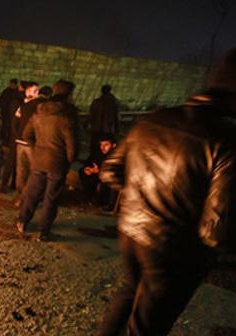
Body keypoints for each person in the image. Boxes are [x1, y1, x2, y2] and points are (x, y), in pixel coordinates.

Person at [96, 48, 236, 336]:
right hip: (174, 249)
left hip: (130, 232)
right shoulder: (227, 140)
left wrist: (141, 200)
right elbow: (214, 230)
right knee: (148, 324)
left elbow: (110, 171)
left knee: (130, 292)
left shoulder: (155, 118)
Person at [17, 80, 78, 242]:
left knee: (33, 193)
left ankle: (23, 220)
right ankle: (43, 231)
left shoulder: (39, 111)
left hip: (39, 160)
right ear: (68, 95)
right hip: (57, 163)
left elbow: (26, 135)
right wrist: (69, 161)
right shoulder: (67, 116)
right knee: (51, 198)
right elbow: (72, 145)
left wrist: (37, 148)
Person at [15, 82, 44, 201]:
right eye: (34, 90)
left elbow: (16, 120)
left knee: (22, 171)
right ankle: (29, 197)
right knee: (32, 171)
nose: (37, 92)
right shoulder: (40, 106)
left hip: (22, 141)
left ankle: (21, 196)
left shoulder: (24, 106)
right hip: (31, 143)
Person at [0, 80, 28, 193]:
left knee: (14, 161)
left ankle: (9, 183)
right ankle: (9, 183)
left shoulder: (16, 99)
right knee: (14, 161)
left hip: (15, 134)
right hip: (18, 135)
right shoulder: (19, 102)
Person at [77, 133, 118, 211]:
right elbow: (89, 162)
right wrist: (87, 169)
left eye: (106, 145)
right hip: (97, 175)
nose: (103, 147)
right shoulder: (98, 153)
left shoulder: (116, 155)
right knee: (82, 172)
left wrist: (100, 171)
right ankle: (90, 198)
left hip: (110, 178)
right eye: (101, 145)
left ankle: (107, 203)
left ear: (113, 145)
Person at [88, 85, 119, 156]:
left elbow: (91, 115)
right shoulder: (113, 102)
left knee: (96, 145)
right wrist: (117, 128)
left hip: (97, 128)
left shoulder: (96, 102)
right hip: (108, 128)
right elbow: (116, 116)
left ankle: (94, 158)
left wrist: (88, 123)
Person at [0, 78, 18, 146]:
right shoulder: (9, 92)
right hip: (7, 112)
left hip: (8, 112)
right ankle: (5, 140)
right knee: (6, 126)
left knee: (8, 127)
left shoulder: (9, 92)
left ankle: (6, 140)